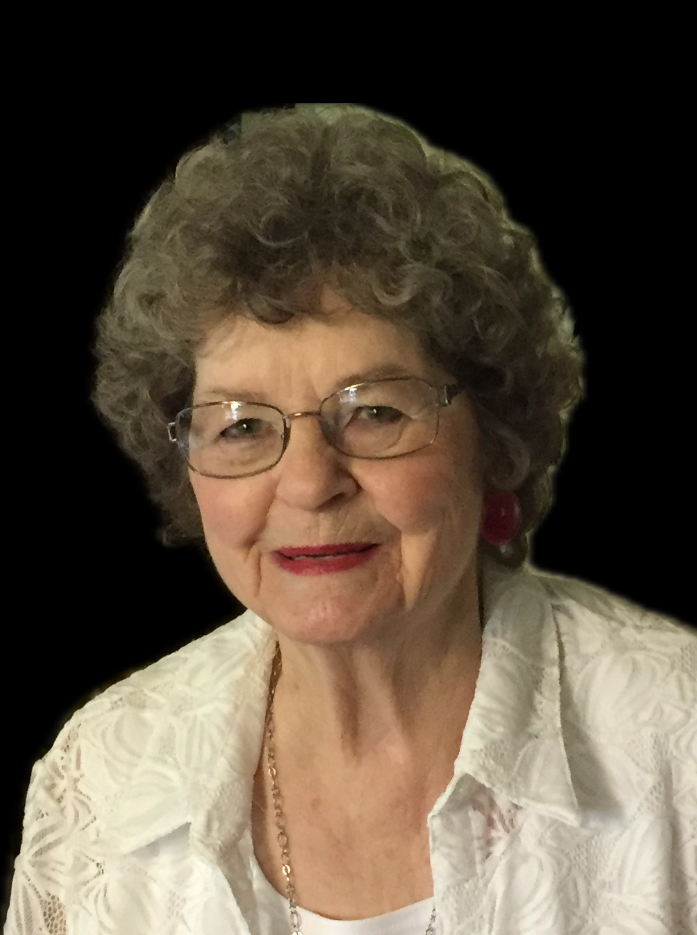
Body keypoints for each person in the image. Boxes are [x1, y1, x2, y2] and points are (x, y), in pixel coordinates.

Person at [5, 104, 695, 935]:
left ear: (493, 437)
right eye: (242, 426)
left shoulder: (679, 743)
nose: (308, 484)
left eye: (373, 412)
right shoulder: (100, 777)